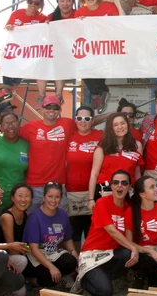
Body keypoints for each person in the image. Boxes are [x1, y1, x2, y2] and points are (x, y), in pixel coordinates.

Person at [75, 170, 139, 296]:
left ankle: (106, 278)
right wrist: (133, 248)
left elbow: (128, 238)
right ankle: (84, 282)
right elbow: (111, 231)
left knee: (127, 254)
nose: (119, 185)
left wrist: (143, 250)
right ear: (112, 186)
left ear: (129, 186)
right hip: (92, 254)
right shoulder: (102, 203)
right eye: (116, 182)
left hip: (111, 255)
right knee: (105, 292)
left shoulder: (128, 208)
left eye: (124, 182)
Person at [18, 95, 76, 212]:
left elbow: (88, 122)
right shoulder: (30, 127)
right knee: (31, 223)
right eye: (48, 107)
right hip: (34, 186)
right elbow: (11, 135)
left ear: (60, 110)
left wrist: (112, 115)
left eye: (55, 107)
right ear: (42, 108)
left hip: (57, 186)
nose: (51, 110)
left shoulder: (67, 124)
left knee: (60, 223)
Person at [0, 0, 47, 105]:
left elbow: (47, 33)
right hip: (16, 49)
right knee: (9, 57)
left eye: (36, 3)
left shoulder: (42, 18)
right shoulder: (16, 13)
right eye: (30, 1)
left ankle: (11, 88)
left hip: (30, 52)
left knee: (26, 63)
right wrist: (9, 27)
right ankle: (7, 88)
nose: (33, 5)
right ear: (26, 1)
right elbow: (7, 28)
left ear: (41, 4)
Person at [23, 182, 78, 288]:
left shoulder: (62, 214)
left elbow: (67, 238)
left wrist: (74, 252)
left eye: (57, 197)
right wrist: (51, 267)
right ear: (43, 197)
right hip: (35, 255)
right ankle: (31, 281)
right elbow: (34, 249)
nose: (53, 200)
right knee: (49, 276)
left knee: (71, 261)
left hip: (53, 253)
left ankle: (60, 277)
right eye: (50, 196)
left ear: (61, 198)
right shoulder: (35, 217)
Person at [88, 113, 143, 211]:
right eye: (116, 125)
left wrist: (140, 194)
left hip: (129, 193)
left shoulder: (137, 145)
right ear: (111, 128)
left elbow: (137, 172)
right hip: (105, 192)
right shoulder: (102, 148)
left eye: (122, 123)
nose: (120, 127)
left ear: (127, 124)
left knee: (127, 224)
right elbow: (94, 174)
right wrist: (91, 199)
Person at [66, 106, 103, 251]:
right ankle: (76, 264)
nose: (83, 121)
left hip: (93, 194)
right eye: (80, 118)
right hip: (71, 193)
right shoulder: (69, 135)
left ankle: (89, 264)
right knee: (74, 232)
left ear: (92, 121)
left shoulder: (101, 135)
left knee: (91, 232)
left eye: (87, 118)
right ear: (75, 120)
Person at [125, 176, 157, 288]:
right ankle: (139, 276)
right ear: (142, 194)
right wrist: (150, 251)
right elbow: (128, 242)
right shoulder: (131, 211)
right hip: (141, 253)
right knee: (150, 263)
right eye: (152, 187)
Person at [0, 112, 29, 209]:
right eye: (6, 124)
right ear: (1, 126)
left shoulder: (26, 145)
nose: (10, 127)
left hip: (17, 202)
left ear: (19, 124)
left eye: (14, 123)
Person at [0, 183, 32, 288]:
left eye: (27, 196)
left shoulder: (26, 215)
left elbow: (27, 242)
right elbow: (11, 248)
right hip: (7, 257)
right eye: (20, 196)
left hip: (22, 253)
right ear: (12, 198)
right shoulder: (7, 216)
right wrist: (30, 250)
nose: (23, 200)